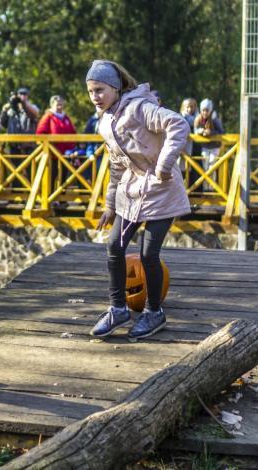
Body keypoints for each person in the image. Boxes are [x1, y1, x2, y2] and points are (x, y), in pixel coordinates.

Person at [86, 60, 190, 340]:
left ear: (116, 87)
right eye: (91, 91)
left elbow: (178, 124)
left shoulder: (139, 108)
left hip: (161, 189)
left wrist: (165, 165)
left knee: (147, 254)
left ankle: (153, 311)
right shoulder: (105, 121)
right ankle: (118, 307)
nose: (95, 96)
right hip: (131, 192)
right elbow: (117, 164)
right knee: (114, 245)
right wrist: (109, 204)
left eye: (100, 90)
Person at [193, 99, 224, 191]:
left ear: (210, 110)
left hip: (215, 147)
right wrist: (200, 131)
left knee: (212, 167)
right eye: (203, 110)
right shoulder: (198, 119)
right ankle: (205, 188)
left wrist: (211, 132)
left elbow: (221, 132)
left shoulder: (215, 120)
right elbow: (195, 130)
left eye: (207, 110)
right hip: (205, 147)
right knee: (205, 167)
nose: (205, 112)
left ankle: (211, 188)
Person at [0, 87, 38, 156]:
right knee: (13, 166)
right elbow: (3, 124)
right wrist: (6, 109)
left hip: (28, 146)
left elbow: (34, 115)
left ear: (28, 96)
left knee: (29, 166)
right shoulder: (11, 109)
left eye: (25, 94)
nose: (22, 96)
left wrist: (24, 103)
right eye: (20, 94)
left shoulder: (33, 107)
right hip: (13, 146)